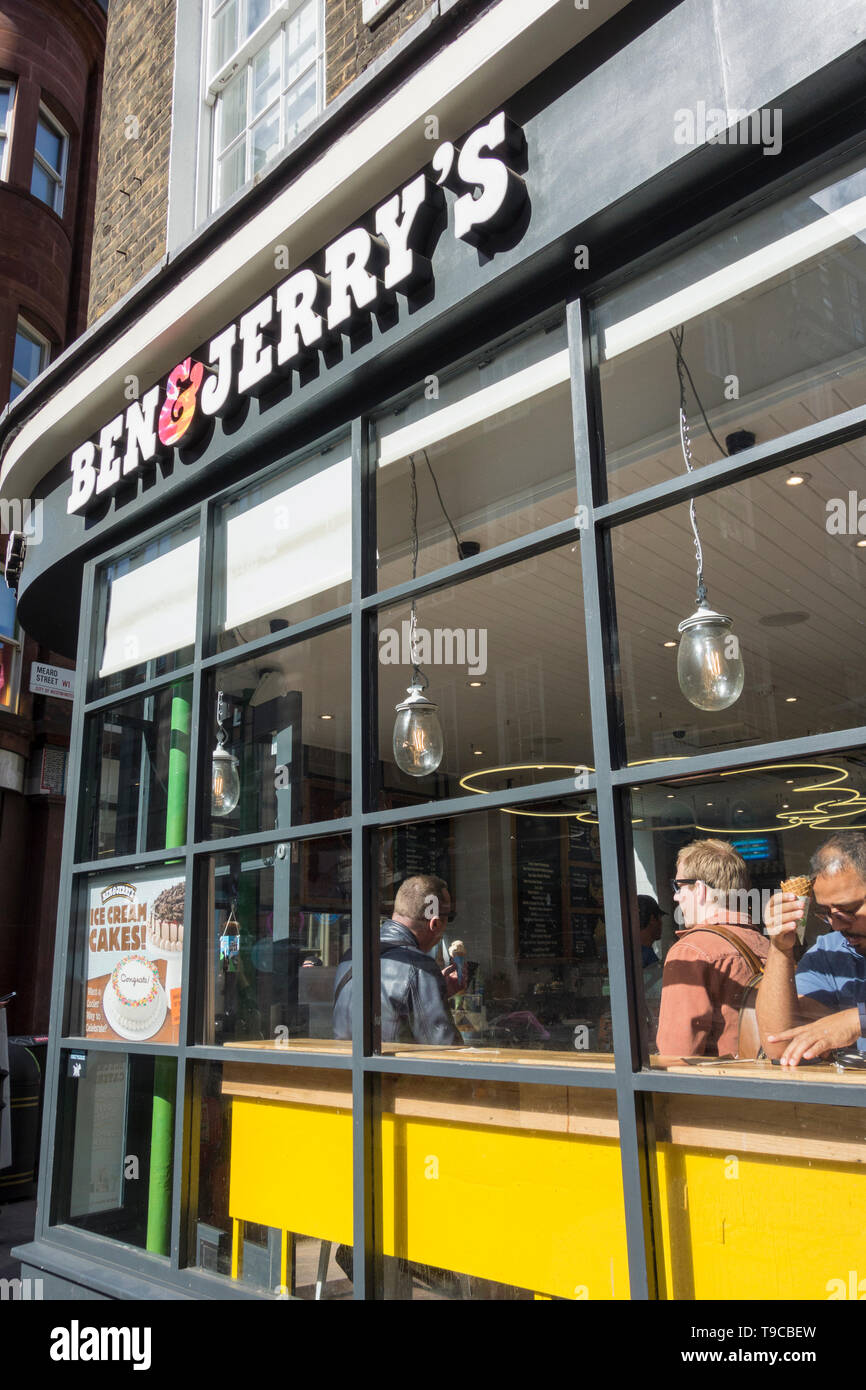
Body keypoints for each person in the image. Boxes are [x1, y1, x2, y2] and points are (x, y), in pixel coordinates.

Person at [759, 831, 866, 1066]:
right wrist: (780, 948)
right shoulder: (828, 953)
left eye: (847, 909)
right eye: (826, 913)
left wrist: (858, 1020)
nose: (836, 925)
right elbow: (780, 1046)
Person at [655, 839, 768, 1057]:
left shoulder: (690, 951)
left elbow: (678, 1054)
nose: (675, 896)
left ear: (699, 889)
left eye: (679, 886)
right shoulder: (771, 947)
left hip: (718, 1086)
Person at [333, 874, 462, 1044]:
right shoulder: (420, 967)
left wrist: (435, 993)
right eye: (448, 918)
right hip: (391, 1071)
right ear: (435, 924)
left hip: (348, 1069)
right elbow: (447, 1049)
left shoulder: (351, 957)